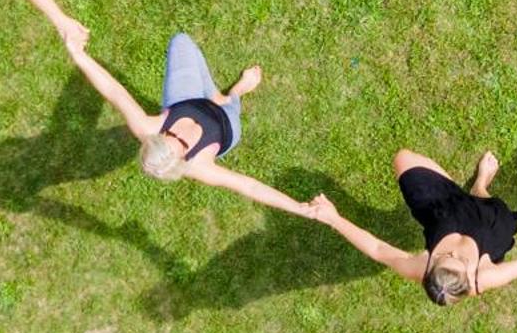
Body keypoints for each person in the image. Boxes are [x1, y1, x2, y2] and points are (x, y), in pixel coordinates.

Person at [59, 25, 323, 215]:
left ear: (157, 136)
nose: (180, 134)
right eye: (182, 144)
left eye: (170, 135)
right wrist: (298, 207)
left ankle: (215, 96)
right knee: (229, 103)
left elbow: (113, 91)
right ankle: (234, 94)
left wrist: (79, 56)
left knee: (181, 42)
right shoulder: (200, 167)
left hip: (185, 99)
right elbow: (250, 187)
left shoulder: (147, 127)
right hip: (226, 123)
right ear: (184, 160)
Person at [304, 147, 517, 304]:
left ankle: (470, 188)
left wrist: (333, 218)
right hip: (487, 224)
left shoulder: (420, 266)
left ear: (431, 268)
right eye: (459, 263)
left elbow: (377, 249)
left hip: (441, 211)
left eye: (446, 259)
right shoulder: (485, 275)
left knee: (403, 158)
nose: (453, 255)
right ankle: (481, 185)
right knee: (483, 200)